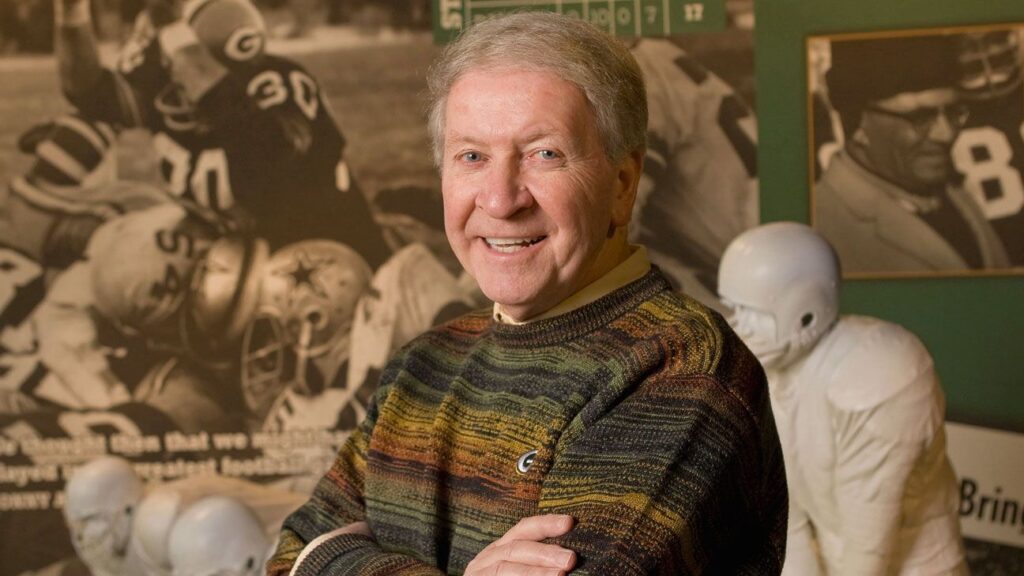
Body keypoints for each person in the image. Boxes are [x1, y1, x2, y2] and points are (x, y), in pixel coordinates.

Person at [267, 11, 787, 576]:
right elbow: (288, 557)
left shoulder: (684, 367)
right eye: (472, 157)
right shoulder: (422, 365)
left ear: (622, 184)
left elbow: (313, 557)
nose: (500, 199)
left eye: (544, 154)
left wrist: (334, 559)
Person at [52, 0, 391, 268]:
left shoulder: (278, 83)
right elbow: (88, 91)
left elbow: (267, 152)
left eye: (180, 65)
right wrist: (71, 13)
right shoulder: (171, 95)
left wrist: (176, 38)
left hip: (330, 261)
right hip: (234, 262)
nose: (175, 84)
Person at [718, 222, 967, 575]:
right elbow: (788, 522)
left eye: (753, 311)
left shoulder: (880, 374)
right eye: (734, 308)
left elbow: (869, 542)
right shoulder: (771, 373)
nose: (737, 325)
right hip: (835, 558)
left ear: (805, 308)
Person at [815, 34, 1009, 275]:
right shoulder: (820, 228)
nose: (946, 134)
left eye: (953, 112)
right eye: (920, 118)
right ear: (857, 125)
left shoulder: (949, 190)